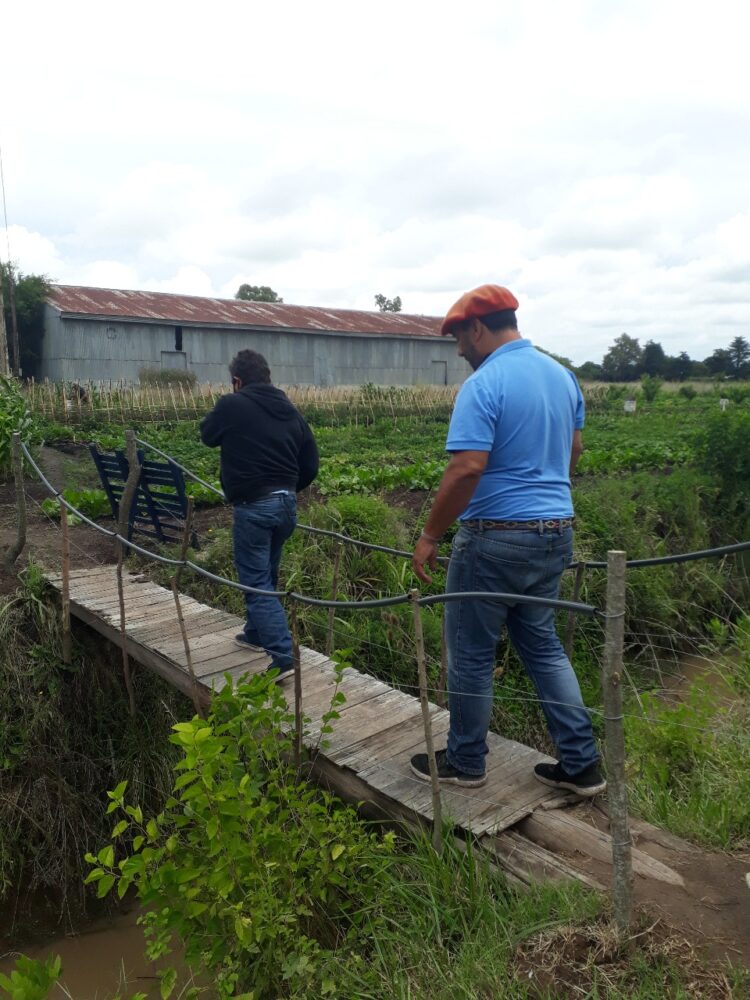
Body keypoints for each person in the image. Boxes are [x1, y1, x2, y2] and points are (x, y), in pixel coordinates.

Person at [410, 285, 605, 797]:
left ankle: (465, 761)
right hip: (555, 532)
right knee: (542, 645)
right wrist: (542, 497)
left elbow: (467, 467)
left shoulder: (485, 383)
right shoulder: (562, 376)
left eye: (458, 338)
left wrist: (430, 535)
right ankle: (582, 764)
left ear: (477, 328)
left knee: (471, 651)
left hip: (493, 537)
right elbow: (575, 449)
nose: (457, 350)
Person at [200, 349, 319, 680]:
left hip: (254, 506)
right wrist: (287, 486)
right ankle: (255, 634)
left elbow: (207, 435)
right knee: (267, 573)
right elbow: (310, 464)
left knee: (256, 583)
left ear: (237, 381)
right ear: (267, 377)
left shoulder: (232, 404)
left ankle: (282, 656)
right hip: (286, 506)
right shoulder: (292, 412)